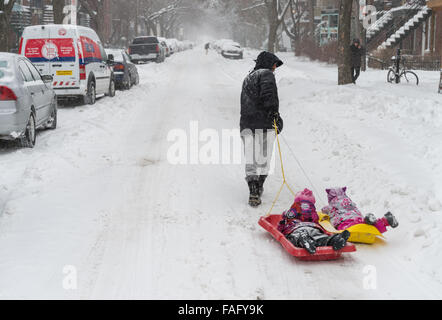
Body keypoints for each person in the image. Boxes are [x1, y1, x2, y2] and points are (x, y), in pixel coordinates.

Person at [240, 51, 284, 207]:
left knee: (250, 158)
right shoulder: (266, 74)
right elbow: (268, 94)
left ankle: (253, 191)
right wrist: (274, 114)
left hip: (247, 125)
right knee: (265, 156)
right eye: (274, 64)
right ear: (268, 63)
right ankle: (259, 185)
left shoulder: (248, 78)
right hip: (264, 124)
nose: (274, 68)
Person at [277, 189, 350, 254]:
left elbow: (280, 228)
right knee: (320, 237)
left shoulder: (291, 214)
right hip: (313, 227)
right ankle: (333, 239)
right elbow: (317, 223)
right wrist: (323, 231)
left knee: (294, 237)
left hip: (297, 228)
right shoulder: (313, 215)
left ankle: (303, 240)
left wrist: (282, 223)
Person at [321, 187, 399, 233]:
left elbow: (323, 211)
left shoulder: (331, 205)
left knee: (345, 230)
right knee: (371, 228)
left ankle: (366, 221)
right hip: (356, 217)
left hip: (343, 221)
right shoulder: (348, 201)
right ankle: (384, 221)